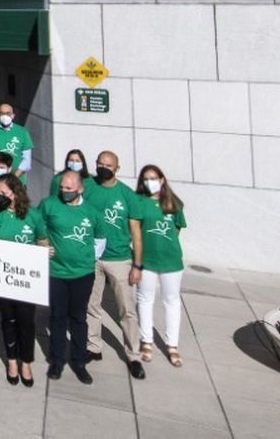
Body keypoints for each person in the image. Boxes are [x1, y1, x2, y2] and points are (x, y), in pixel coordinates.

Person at [84, 151, 146, 378]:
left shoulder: (127, 196)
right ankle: (93, 346)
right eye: (99, 163)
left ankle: (134, 355)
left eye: (108, 165)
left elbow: (136, 234)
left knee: (127, 310)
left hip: (119, 259)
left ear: (117, 168)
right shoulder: (88, 186)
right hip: (92, 258)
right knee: (91, 304)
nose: (103, 167)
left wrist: (137, 266)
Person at [36, 169, 96, 384]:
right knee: (58, 316)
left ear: (80, 188)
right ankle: (57, 360)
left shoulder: (91, 211)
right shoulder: (49, 205)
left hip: (83, 274)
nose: (64, 191)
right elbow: (37, 226)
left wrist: (87, 259)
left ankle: (79, 361)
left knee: (79, 317)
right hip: (56, 272)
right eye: (62, 187)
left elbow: (99, 240)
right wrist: (42, 244)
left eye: (69, 188)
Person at [0, 173, 40, 385]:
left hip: (26, 280)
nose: (0, 196)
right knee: (8, 320)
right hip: (5, 278)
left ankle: (26, 361)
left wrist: (46, 252)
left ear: (16, 193)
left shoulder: (33, 215)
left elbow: (42, 241)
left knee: (26, 321)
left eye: (4, 193)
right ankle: (12, 360)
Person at [133, 165, 187, 368]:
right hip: (147, 260)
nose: (150, 182)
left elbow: (178, 228)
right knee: (145, 299)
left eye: (153, 178)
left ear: (162, 180)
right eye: (146, 179)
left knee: (171, 301)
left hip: (171, 261)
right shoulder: (139, 202)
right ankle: (146, 341)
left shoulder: (174, 203)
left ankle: (172, 345)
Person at [0, 102, 31, 172]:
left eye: (8, 113)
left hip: (18, 179)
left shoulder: (23, 132)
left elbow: (26, 160)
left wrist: (14, 177)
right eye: (2, 113)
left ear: (13, 116)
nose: (5, 116)